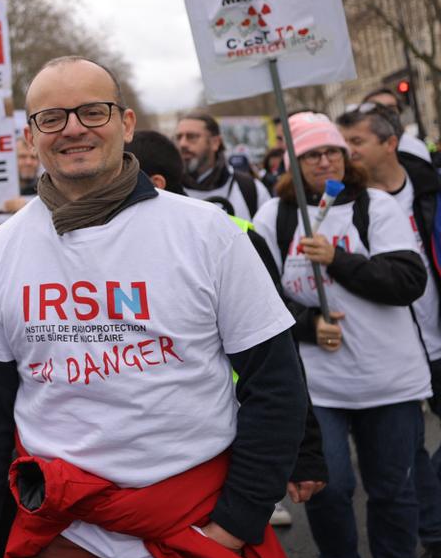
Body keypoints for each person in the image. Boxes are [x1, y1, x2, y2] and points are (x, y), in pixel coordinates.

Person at [0, 56, 309, 558]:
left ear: (125, 122)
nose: (73, 128)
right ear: (31, 136)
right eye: (51, 118)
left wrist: (235, 523)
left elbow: (277, 386)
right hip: (70, 543)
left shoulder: (206, 231)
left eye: (92, 111)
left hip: (199, 528)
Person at [253, 111, 430, 558]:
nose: (325, 159)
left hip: (388, 378)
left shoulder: (374, 206)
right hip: (319, 384)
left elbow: (406, 282)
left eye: (332, 150)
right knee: (328, 488)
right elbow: (256, 299)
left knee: (393, 491)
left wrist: (338, 259)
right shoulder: (275, 217)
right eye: (311, 153)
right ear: (293, 162)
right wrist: (309, 324)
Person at [129, 130, 329, 530]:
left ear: (155, 184)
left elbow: (278, 353)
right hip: (162, 454)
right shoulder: (110, 246)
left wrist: (303, 450)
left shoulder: (230, 236)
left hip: (238, 434)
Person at [339, 104, 441, 558]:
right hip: (391, 350)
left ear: (389, 143)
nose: (347, 152)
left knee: (419, 452)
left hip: (437, 337)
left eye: (356, 142)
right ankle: (433, 539)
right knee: (409, 452)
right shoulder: (340, 202)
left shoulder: (429, 190)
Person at [174, 112, 270, 219]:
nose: (182, 144)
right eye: (178, 137)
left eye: (192, 137)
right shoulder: (167, 190)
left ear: (215, 142)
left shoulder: (250, 189)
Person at [362, 87, 432, 162]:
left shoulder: (416, 147)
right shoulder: (359, 152)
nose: (385, 112)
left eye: (390, 108)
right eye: (377, 109)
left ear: (399, 111)